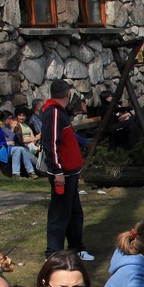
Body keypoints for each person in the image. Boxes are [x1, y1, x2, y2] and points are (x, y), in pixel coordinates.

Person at [41, 80, 93, 262]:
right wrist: (57, 171)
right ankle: (53, 253)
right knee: (59, 214)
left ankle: (76, 247)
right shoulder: (53, 113)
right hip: (62, 174)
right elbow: (51, 144)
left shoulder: (60, 112)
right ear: (67, 94)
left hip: (71, 173)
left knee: (74, 213)